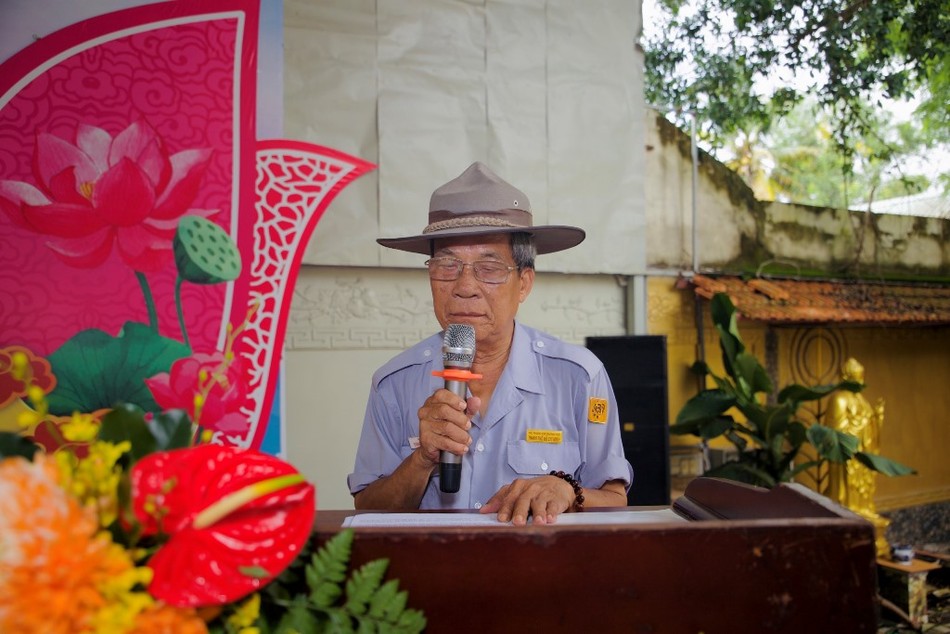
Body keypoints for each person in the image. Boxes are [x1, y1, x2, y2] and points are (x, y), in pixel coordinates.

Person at [348, 162, 633, 525]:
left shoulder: (579, 376)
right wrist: (422, 460)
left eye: (490, 268)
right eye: (447, 266)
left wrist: (568, 492)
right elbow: (367, 511)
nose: (464, 287)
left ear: (525, 283)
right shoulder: (394, 384)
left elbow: (615, 500)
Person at [826, 357, 890, 556]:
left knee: (864, 491)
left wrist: (876, 418)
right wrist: (857, 427)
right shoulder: (839, 399)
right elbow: (834, 430)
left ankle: (863, 511)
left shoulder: (861, 400)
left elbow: (870, 430)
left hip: (862, 454)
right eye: (856, 375)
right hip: (848, 456)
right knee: (847, 492)